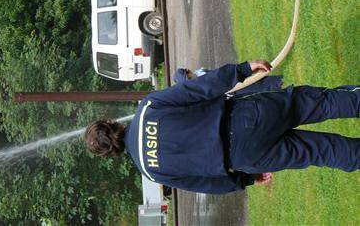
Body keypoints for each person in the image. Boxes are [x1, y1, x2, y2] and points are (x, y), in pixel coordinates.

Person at [84, 60, 359, 194]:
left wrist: (246, 179)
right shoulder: (148, 108)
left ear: (111, 153)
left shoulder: (152, 172)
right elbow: (198, 89)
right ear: (111, 123)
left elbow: (207, 184)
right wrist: (242, 69)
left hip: (246, 158)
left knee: (322, 152)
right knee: (318, 104)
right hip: (244, 118)